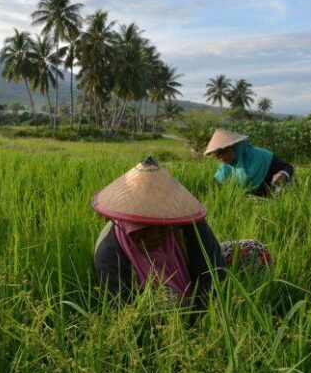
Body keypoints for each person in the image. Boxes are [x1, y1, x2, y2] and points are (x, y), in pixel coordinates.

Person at [92, 156, 229, 304]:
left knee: (252, 250)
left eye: (162, 228)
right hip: (148, 294)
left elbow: (212, 268)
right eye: (144, 231)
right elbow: (119, 304)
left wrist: (208, 309)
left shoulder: (187, 222)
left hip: (189, 276)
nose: (155, 236)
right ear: (129, 225)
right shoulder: (110, 251)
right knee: (167, 302)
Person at [204, 129, 294, 197]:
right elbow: (215, 188)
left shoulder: (262, 156)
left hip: (274, 199)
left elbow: (288, 167)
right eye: (216, 155)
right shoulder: (225, 167)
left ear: (235, 148)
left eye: (222, 153)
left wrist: (282, 174)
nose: (220, 158)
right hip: (250, 206)